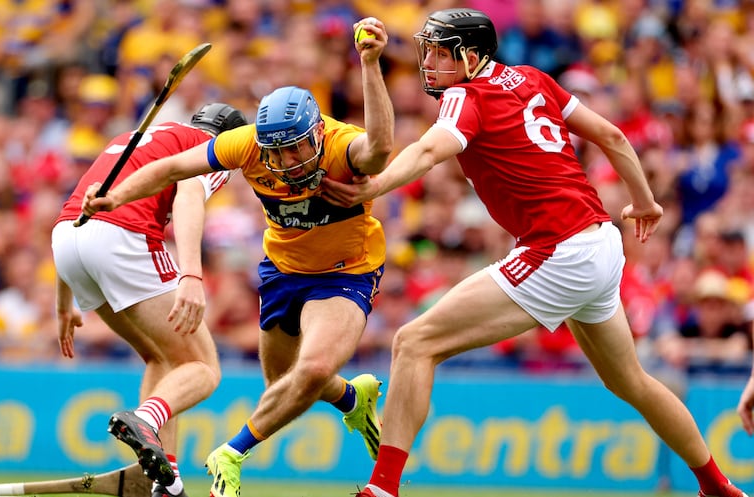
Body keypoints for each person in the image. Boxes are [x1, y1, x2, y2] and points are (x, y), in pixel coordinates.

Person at [320, 8, 749, 497]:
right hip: (600, 243)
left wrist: (373, 185)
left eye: (442, 52)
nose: (430, 63)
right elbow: (611, 135)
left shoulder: (464, 94)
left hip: (560, 248)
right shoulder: (532, 78)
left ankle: (382, 488)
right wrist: (645, 200)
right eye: (429, 51)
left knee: (414, 343)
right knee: (631, 381)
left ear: (473, 56)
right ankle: (717, 486)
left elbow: (427, 152)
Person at [80, 17, 394, 497]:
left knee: (309, 372)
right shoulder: (246, 144)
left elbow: (380, 149)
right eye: (277, 152)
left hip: (344, 273)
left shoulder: (340, 144)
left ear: (316, 133)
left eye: (295, 150)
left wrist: (369, 65)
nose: (286, 162)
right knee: (286, 383)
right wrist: (116, 197)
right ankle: (353, 397)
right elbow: (172, 168)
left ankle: (231, 452)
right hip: (282, 272)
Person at [52, 102, 248, 497]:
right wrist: (192, 274)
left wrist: (62, 305)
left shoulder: (134, 139)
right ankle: (145, 419)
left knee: (165, 358)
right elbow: (189, 194)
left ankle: (165, 480)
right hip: (123, 236)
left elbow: (77, 215)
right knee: (203, 366)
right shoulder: (211, 150)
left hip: (66, 242)